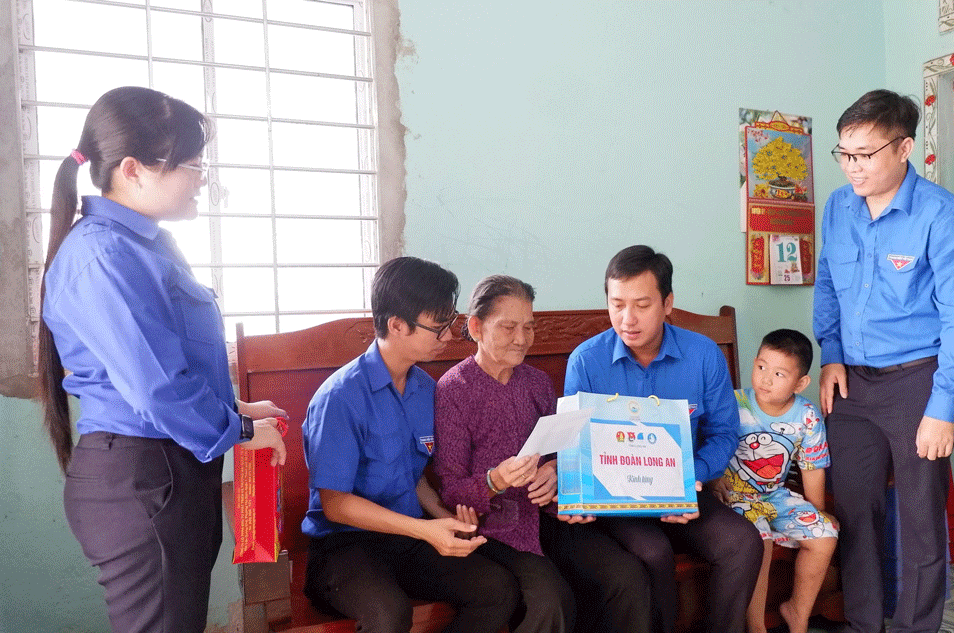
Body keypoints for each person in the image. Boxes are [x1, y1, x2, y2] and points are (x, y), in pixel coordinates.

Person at [38, 86, 287, 633]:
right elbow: (157, 389)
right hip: (145, 477)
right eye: (192, 165)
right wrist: (242, 431)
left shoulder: (146, 245)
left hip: (166, 471)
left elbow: (166, 363)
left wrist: (235, 408)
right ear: (133, 170)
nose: (202, 179)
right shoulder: (103, 253)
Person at [814, 89, 954, 633]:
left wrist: (944, 404)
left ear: (904, 148)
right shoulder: (838, 207)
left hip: (920, 382)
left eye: (865, 154)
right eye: (844, 153)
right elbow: (827, 284)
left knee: (919, 518)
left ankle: (916, 627)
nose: (853, 166)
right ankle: (864, 624)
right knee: (855, 511)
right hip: (852, 385)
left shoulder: (945, 217)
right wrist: (831, 355)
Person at [301, 256, 518, 633]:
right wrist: (424, 530)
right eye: (438, 327)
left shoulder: (425, 390)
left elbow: (412, 476)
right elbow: (335, 505)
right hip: (345, 547)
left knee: (496, 589)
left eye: (449, 323)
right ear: (397, 325)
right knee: (390, 615)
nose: (447, 337)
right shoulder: (340, 398)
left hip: (406, 539)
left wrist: (443, 517)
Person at [562, 244, 762, 633]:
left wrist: (692, 477)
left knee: (742, 542)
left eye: (642, 305)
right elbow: (573, 445)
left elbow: (723, 433)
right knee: (652, 552)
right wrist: (576, 494)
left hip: (685, 489)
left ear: (667, 303)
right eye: (617, 305)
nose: (627, 319)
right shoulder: (586, 361)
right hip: (617, 501)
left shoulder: (703, 355)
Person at [433, 274, 575, 633]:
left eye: (529, 327)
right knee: (552, 600)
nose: (521, 338)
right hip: (495, 527)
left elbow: (561, 452)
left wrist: (555, 470)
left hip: (549, 516)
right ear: (476, 327)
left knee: (618, 573)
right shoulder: (454, 389)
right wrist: (494, 481)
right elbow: (450, 489)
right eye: (509, 327)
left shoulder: (537, 383)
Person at [712, 329, 838, 633]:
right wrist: (715, 479)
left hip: (775, 496)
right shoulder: (734, 403)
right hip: (734, 497)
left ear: (800, 383)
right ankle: (756, 626)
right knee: (759, 542)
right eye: (761, 367)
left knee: (825, 534)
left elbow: (812, 468)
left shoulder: (807, 416)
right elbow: (710, 444)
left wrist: (818, 510)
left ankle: (798, 613)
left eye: (779, 373)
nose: (765, 379)